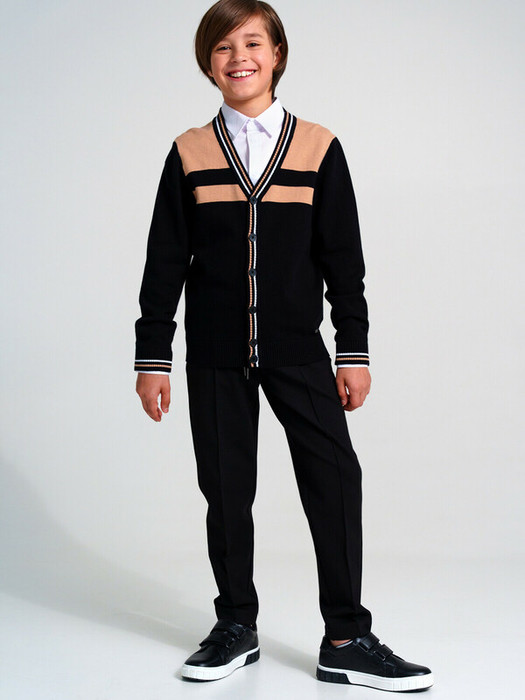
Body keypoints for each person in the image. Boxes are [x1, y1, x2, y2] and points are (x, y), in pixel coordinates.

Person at [134, 0, 433, 691]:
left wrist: (352, 350)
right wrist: (153, 357)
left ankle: (346, 637)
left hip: (299, 350)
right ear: (208, 64)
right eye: (222, 47)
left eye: (252, 43)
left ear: (276, 56)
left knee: (335, 479)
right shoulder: (188, 152)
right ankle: (235, 626)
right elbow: (164, 262)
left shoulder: (318, 147)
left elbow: (343, 259)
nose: (237, 57)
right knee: (225, 490)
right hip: (214, 353)